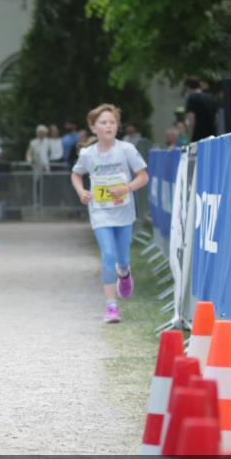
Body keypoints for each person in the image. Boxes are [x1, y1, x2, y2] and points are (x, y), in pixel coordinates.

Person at [70, 103, 148, 324]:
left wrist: (127, 188)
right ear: (94, 128)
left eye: (112, 122)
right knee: (108, 255)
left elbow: (143, 176)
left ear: (117, 126)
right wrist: (81, 191)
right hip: (100, 212)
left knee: (122, 259)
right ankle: (111, 307)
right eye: (103, 122)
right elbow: (76, 175)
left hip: (123, 212)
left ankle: (124, 272)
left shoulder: (126, 150)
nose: (108, 126)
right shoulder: (87, 154)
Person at [184, 78, 217, 142]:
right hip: (211, 136)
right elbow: (216, 119)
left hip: (198, 137)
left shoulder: (192, 98)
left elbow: (191, 120)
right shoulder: (211, 98)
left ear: (188, 87)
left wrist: (190, 138)